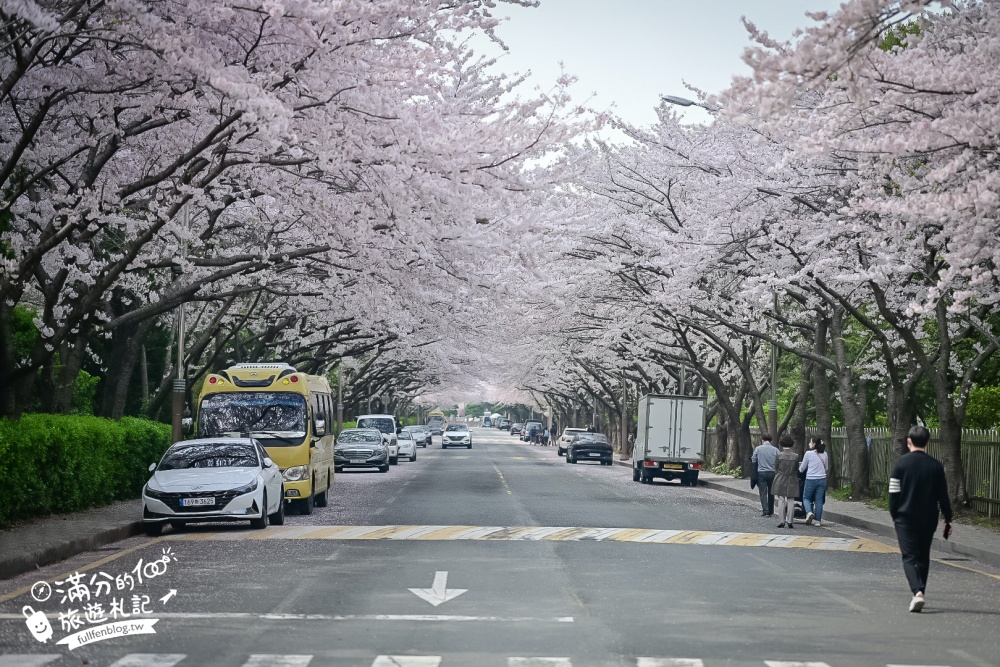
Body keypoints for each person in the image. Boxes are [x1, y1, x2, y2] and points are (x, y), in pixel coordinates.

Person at [889, 425, 953, 613]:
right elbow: (943, 496)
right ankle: (920, 592)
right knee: (923, 556)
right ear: (927, 442)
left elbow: (893, 493)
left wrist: (895, 515)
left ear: (909, 441)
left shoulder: (900, 464)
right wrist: (948, 519)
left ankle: (917, 593)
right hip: (928, 518)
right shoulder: (936, 466)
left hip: (905, 517)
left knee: (909, 556)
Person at [799, 437, 829, 526]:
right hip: (822, 479)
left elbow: (802, 468)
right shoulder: (825, 454)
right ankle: (818, 521)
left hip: (811, 479)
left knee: (806, 498)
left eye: (810, 442)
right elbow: (826, 468)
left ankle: (809, 512)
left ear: (814, 443)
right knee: (819, 500)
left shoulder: (808, 453)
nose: (809, 443)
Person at [772, 435, 800, 529]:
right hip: (792, 478)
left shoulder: (779, 455)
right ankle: (790, 521)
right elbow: (797, 468)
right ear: (791, 444)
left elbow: (775, 467)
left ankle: (781, 521)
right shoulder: (795, 456)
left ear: (782, 444)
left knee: (781, 499)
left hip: (780, 477)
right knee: (791, 499)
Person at [751, 434, 779, 516]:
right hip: (772, 472)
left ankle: (765, 510)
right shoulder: (776, 450)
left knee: (763, 492)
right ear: (771, 440)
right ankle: (771, 510)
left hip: (761, 473)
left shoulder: (758, 449)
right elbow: (779, 460)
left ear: (762, 440)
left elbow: (753, 460)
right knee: (771, 492)